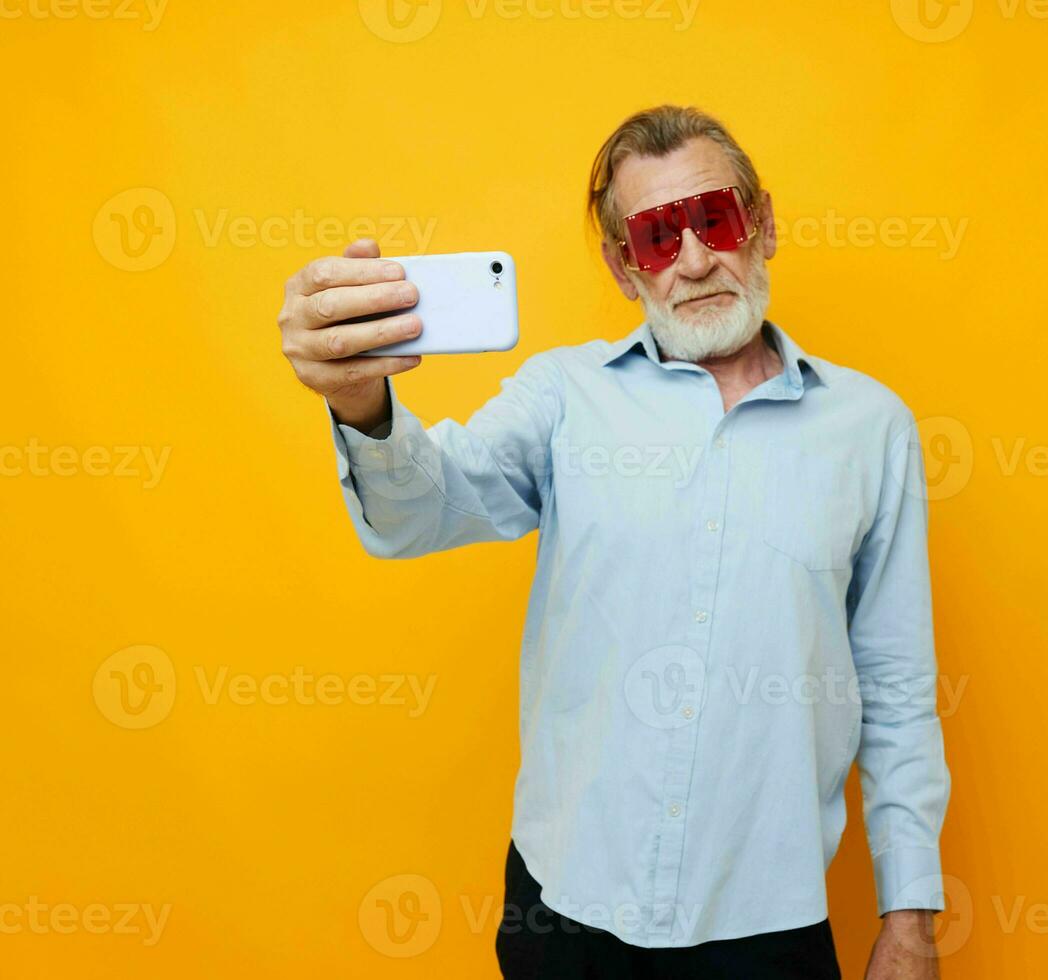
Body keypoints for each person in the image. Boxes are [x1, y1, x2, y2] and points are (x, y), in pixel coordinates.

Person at [276, 105, 951, 979]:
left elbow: (896, 691)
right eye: (657, 236)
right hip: (566, 915)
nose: (697, 259)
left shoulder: (872, 427)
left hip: (767, 927)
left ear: (764, 224)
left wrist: (911, 922)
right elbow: (422, 512)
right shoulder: (561, 396)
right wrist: (360, 403)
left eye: (715, 218)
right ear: (624, 268)